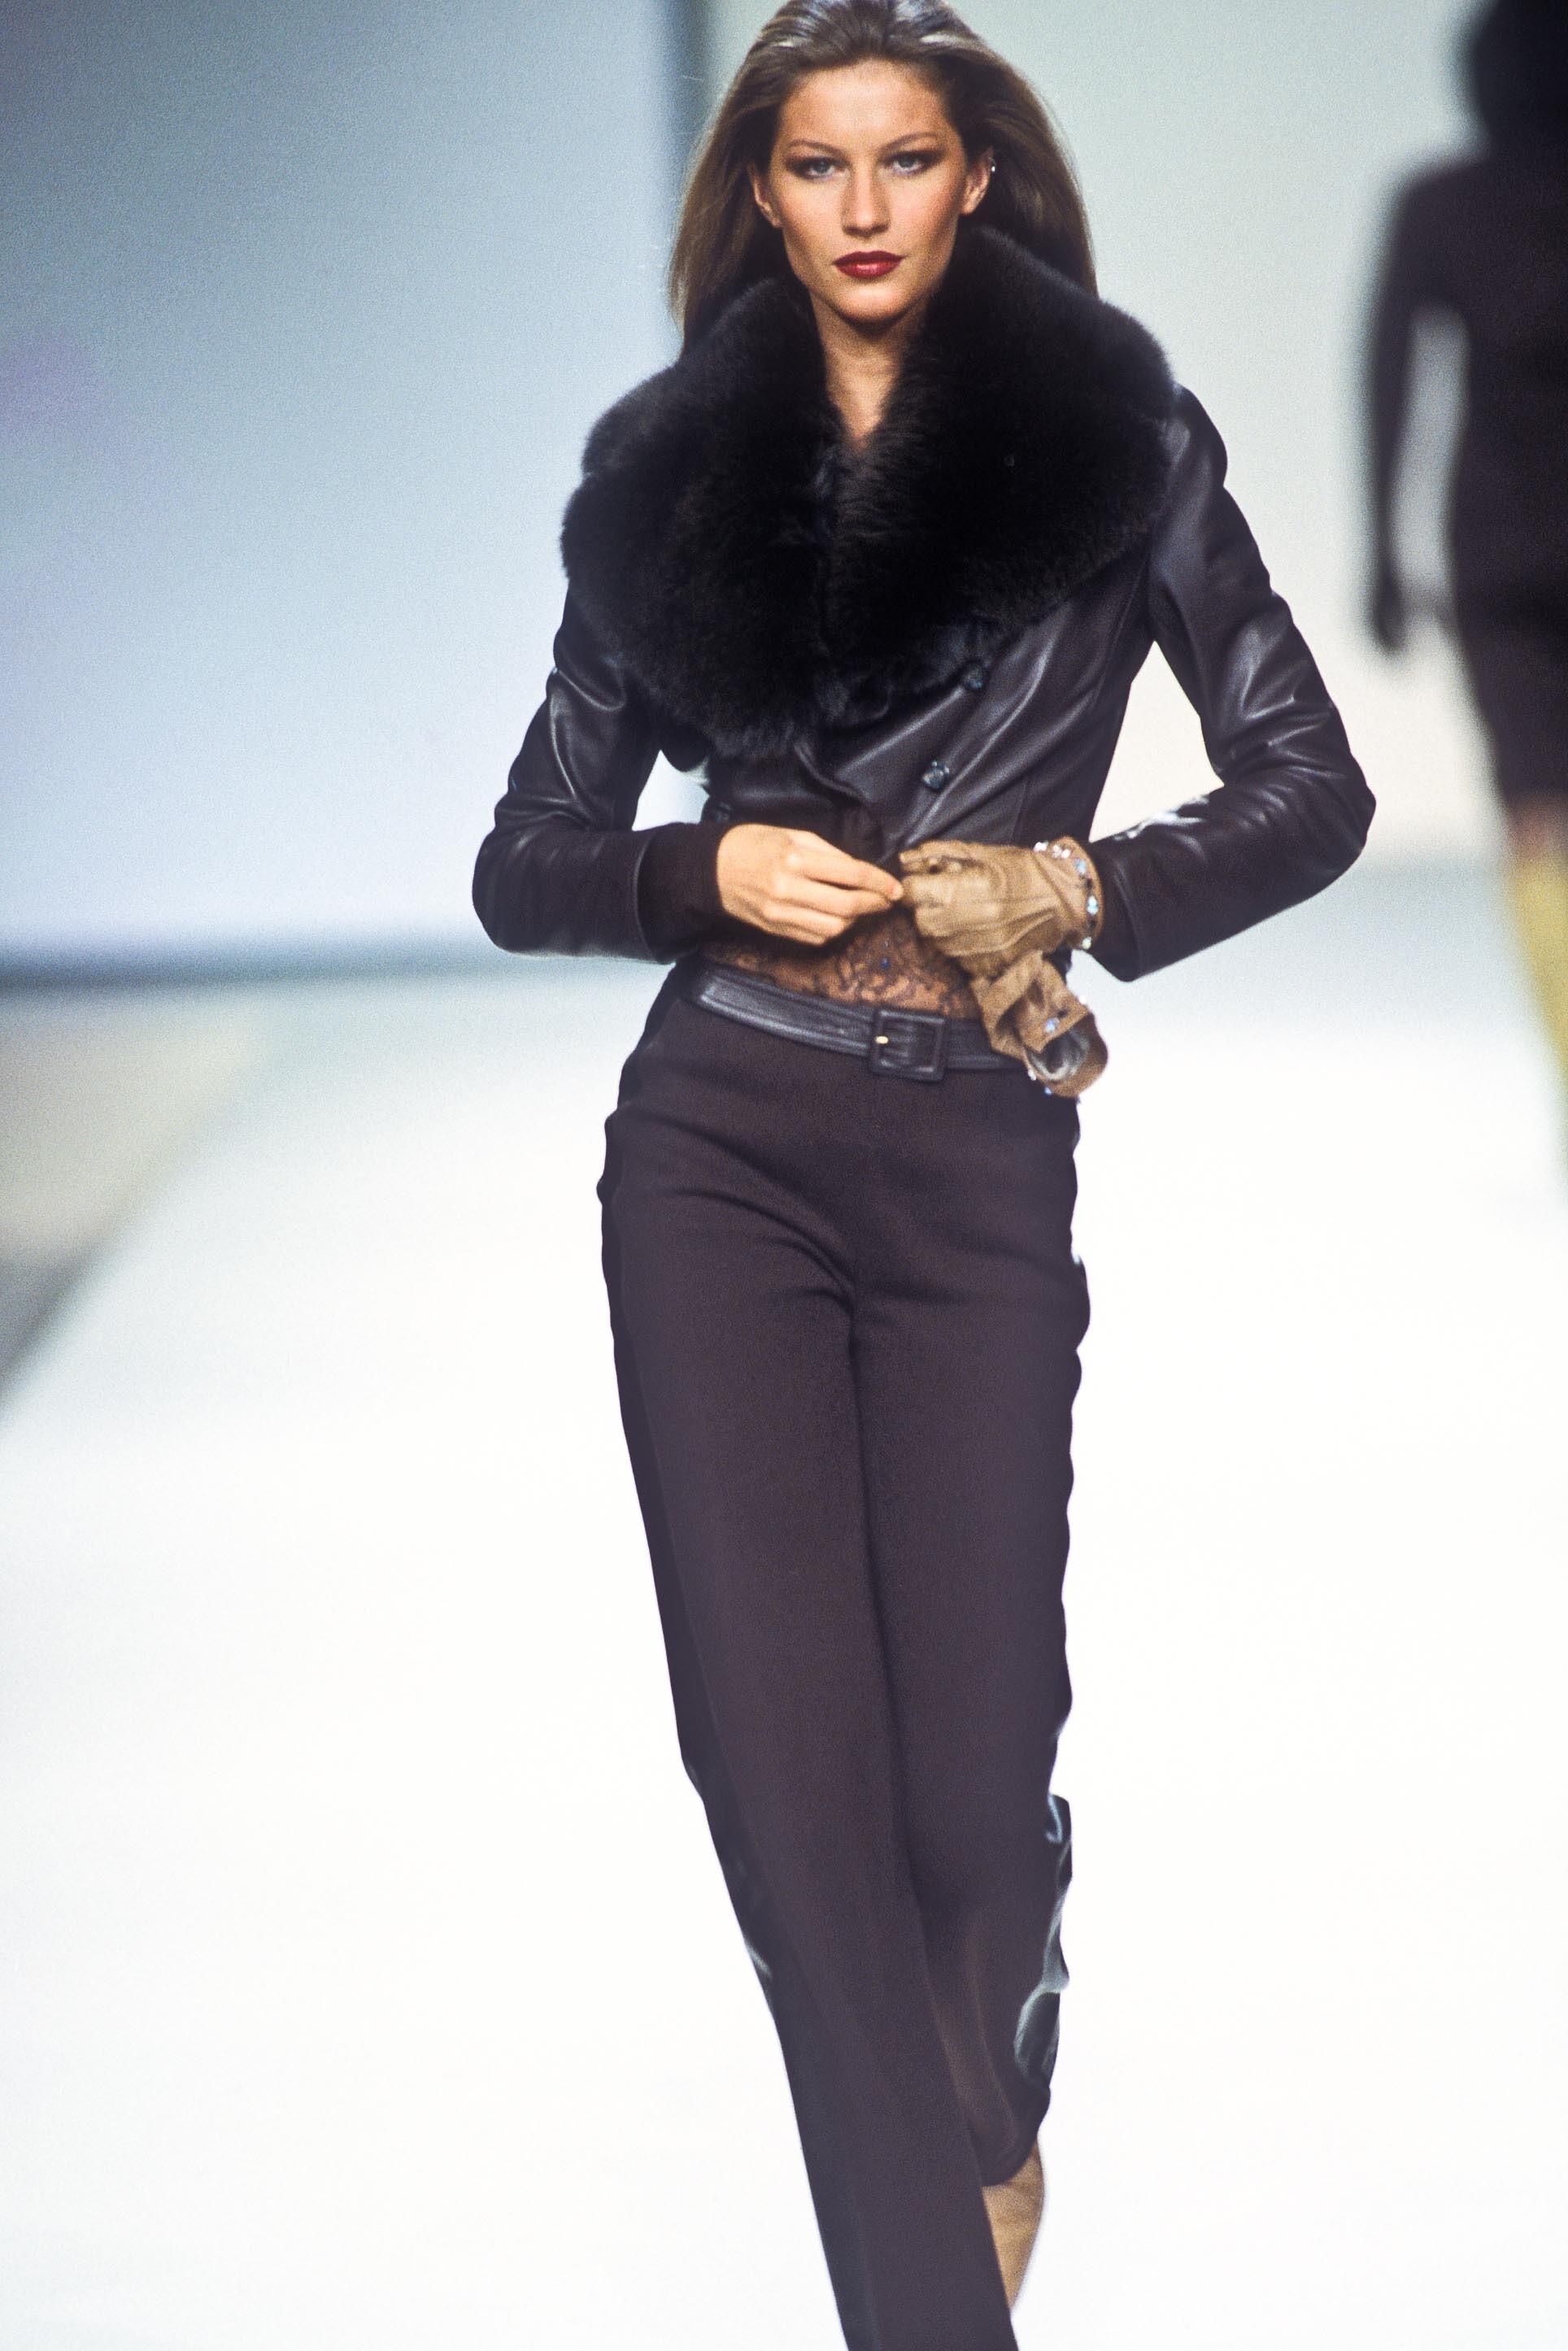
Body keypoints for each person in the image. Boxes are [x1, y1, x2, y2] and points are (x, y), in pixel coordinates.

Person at [474, 5, 1372, 2344]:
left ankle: (997, 2039)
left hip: (974, 1163)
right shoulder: (670, 484)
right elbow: (524, 855)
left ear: (977, 176)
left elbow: (1312, 784)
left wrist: (1076, 887)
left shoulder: (1122, 447)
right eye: (816, 164)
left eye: (904, 158)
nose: (862, 206)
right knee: (790, 1810)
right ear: (761, 195)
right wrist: (690, 873)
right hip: (721, 1147)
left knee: (965, 1804)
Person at [1368, 0, 1568, 1143]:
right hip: (1505, 552)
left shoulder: (1443, 207)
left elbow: (1389, 376)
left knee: (1534, 811)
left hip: (1497, 550)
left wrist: (1382, 553)